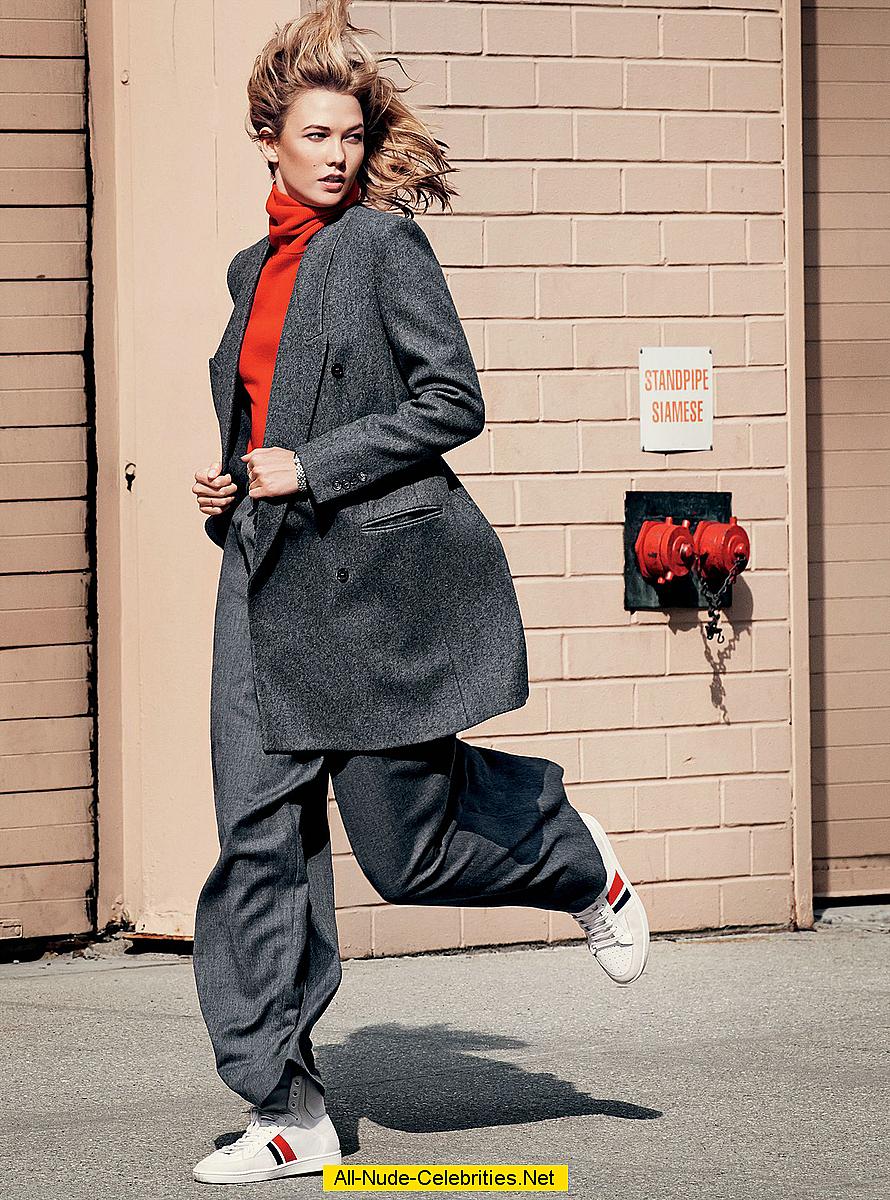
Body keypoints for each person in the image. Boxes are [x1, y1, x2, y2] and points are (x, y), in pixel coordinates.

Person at [189, 1, 649, 1185]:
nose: (337, 155)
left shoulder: (382, 247)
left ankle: (564, 851)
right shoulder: (250, 271)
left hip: (371, 596)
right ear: (268, 139)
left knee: (404, 854)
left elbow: (451, 401)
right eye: (316, 135)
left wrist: (311, 466)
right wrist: (233, 487)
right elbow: (264, 426)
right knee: (255, 847)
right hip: (262, 588)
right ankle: (287, 1107)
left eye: (351, 136)